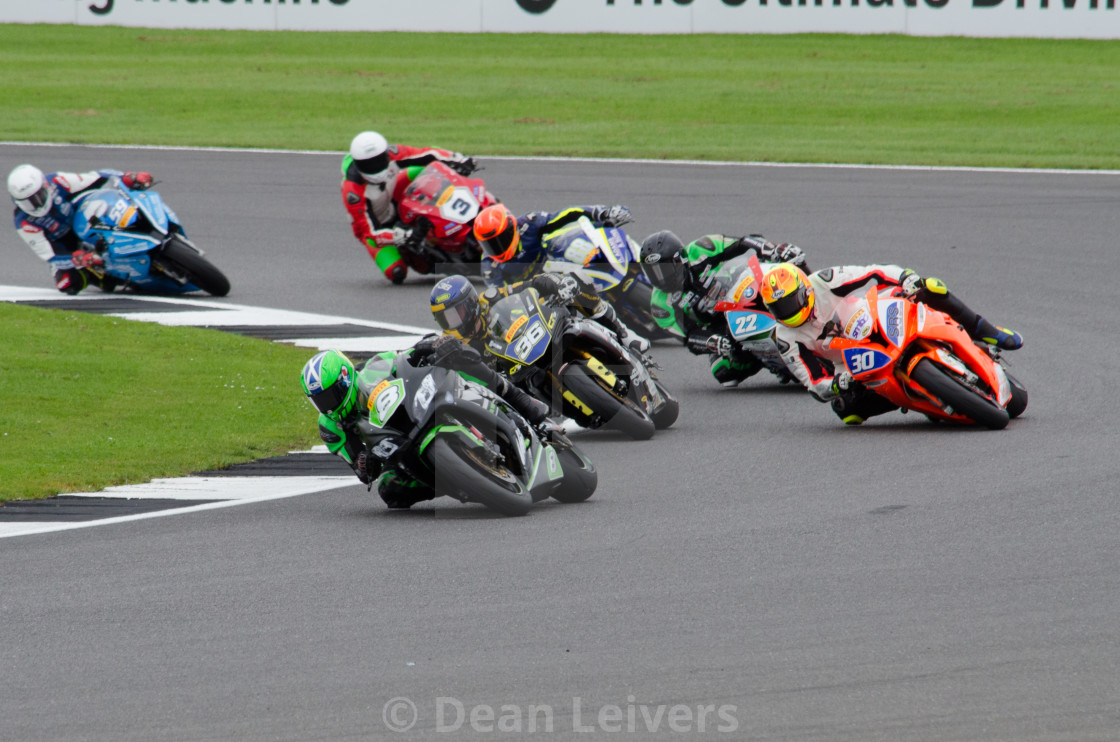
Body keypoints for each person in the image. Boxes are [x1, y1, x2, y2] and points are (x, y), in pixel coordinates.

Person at [759, 262, 1024, 425]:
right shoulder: (785, 337)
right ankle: (922, 398)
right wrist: (835, 385)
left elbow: (874, 273)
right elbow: (813, 382)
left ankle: (986, 330)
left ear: (804, 290)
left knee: (930, 287)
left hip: (873, 316)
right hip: (853, 361)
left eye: (789, 303)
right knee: (847, 411)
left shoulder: (824, 281)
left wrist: (904, 278)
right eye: (777, 308)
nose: (786, 312)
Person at [300, 340, 548, 509]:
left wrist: (431, 345)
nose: (328, 406)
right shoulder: (331, 428)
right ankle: (459, 480)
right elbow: (360, 469)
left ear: (345, 378)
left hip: (419, 409)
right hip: (397, 448)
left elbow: (407, 357)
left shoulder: (374, 367)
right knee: (389, 491)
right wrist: (365, 464)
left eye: (330, 396)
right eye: (319, 401)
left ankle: (521, 402)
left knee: (458, 358)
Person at [639, 230, 807, 387]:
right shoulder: (660, 305)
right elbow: (689, 336)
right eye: (653, 272)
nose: (660, 278)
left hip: (741, 286)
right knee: (723, 372)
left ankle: (812, 290)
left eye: (664, 269)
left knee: (788, 261)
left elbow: (743, 243)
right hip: (721, 323)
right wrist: (710, 342)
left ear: (680, 260)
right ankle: (771, 362)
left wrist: (771, 249)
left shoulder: (700, 249)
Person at [429, 272, 650, 368]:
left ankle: (624, 334)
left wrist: (556, 284)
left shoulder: (491, 298)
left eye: (456, 313)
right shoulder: (457, 345)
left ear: (470, 304)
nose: (453, 323)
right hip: (517, 372)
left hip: (536, 332)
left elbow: (531, 284)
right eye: (446, 319)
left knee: (578, 280)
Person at [340, 130, 476, 284]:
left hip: (394, 195)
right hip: (379, 228)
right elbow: (369, 233)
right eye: (369, 164)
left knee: (430, 168)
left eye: (379, 160)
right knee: (396, 272)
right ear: (358, 165)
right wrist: (401, 236)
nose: (376, 167)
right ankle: (439, 264)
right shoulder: (352, 191)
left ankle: (468, 204)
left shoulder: (393, 154)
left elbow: (427, 153)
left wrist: (456, 159)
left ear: (385, 153)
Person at [8, 163, 154, 295]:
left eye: (39, 196)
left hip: (84, 218)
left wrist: (127, 178)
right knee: (66, 284)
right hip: (66, 244)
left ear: (45, 186)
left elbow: (96, 178)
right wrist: (78, 258)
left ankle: (141, 227)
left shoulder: (58, 181)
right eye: (28, 202)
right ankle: (104, 277)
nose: (36, 205)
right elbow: (49, 255)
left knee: (109, 202)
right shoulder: (24, 223)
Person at [473, 202, 635, 289]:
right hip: (537, 293)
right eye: (488, 244)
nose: (495, 248)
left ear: (510, 229)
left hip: (552, 261)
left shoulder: (529, 223)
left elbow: (566, 215)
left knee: (583, 239)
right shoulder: (490, 268)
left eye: (498, 241)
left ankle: (630, 253)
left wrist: (601, 213)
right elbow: (500, 299)